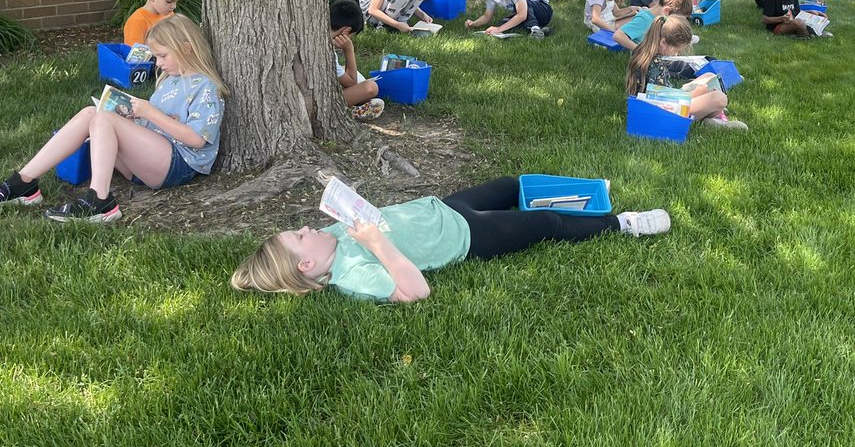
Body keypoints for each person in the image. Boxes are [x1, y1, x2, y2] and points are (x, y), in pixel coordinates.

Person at [229, 176, 671, 301]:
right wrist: (375, 243)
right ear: (307, 265)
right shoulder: (351, 274)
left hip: (443, 207)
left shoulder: (328, 236)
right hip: (468, 237)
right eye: (299, 236)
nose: (307, 228)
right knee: (546, 224)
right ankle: (624, 224)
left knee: (510, 185)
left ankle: (584, 193)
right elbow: (415, 291)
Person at [0, 15, 227, 222]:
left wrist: (150, 112)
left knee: (104, 120)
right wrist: (135, 119)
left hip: (179, 164)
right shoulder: (170, 79)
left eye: (163, 55)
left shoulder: (205, 86)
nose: (158, 63)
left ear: (186, 48)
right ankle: (23, 183)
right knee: (91, 113)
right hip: (149, 161)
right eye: (156, 56)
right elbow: (156, 126)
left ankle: (100, 201)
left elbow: (197, 139)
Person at [626, 15, 746, 129]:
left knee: (708, 76)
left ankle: (710, 114)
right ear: (663, 43)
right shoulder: (654, 65)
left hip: (662, 102)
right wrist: (693, 94)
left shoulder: (645, 51)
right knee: (720, 98)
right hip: (660, 112)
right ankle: (714, 116)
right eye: (676, 50)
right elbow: (662, 101)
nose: (676, 54)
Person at [330, 0, 384, 122]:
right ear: (345, 31)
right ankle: (348, 112)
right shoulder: (329, 53)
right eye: (351, 37)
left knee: (344, 69)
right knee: (371, 87)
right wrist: (349, 49)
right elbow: (350, 82)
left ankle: (355, 103)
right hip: (323, 101)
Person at [614, 0, 693, 50]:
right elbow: (618, 35)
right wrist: (640, 51)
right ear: (666, 11)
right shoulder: (644, 20)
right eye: (677, 20)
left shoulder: (660, 18)